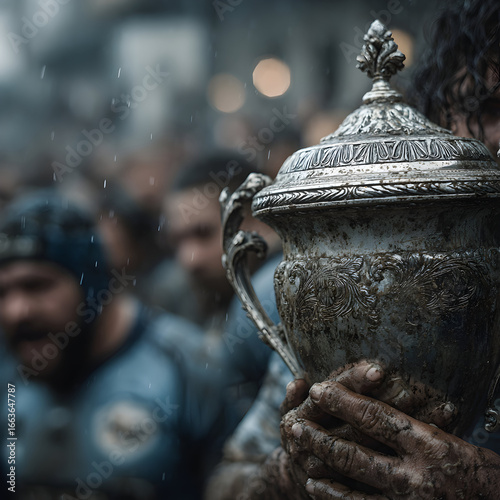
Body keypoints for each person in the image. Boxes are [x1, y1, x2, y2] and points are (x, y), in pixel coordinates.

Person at [206, 1, 500, 498]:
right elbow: (226, 485)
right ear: (440, 120)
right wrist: (296, 469)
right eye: (484, 109)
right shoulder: (328, 291)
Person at [0, 190, 233, 500]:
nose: (16, 310)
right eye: (2, 292)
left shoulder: (189, 365)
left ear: (91, 285)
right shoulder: (8, 376)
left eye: (37, 285)